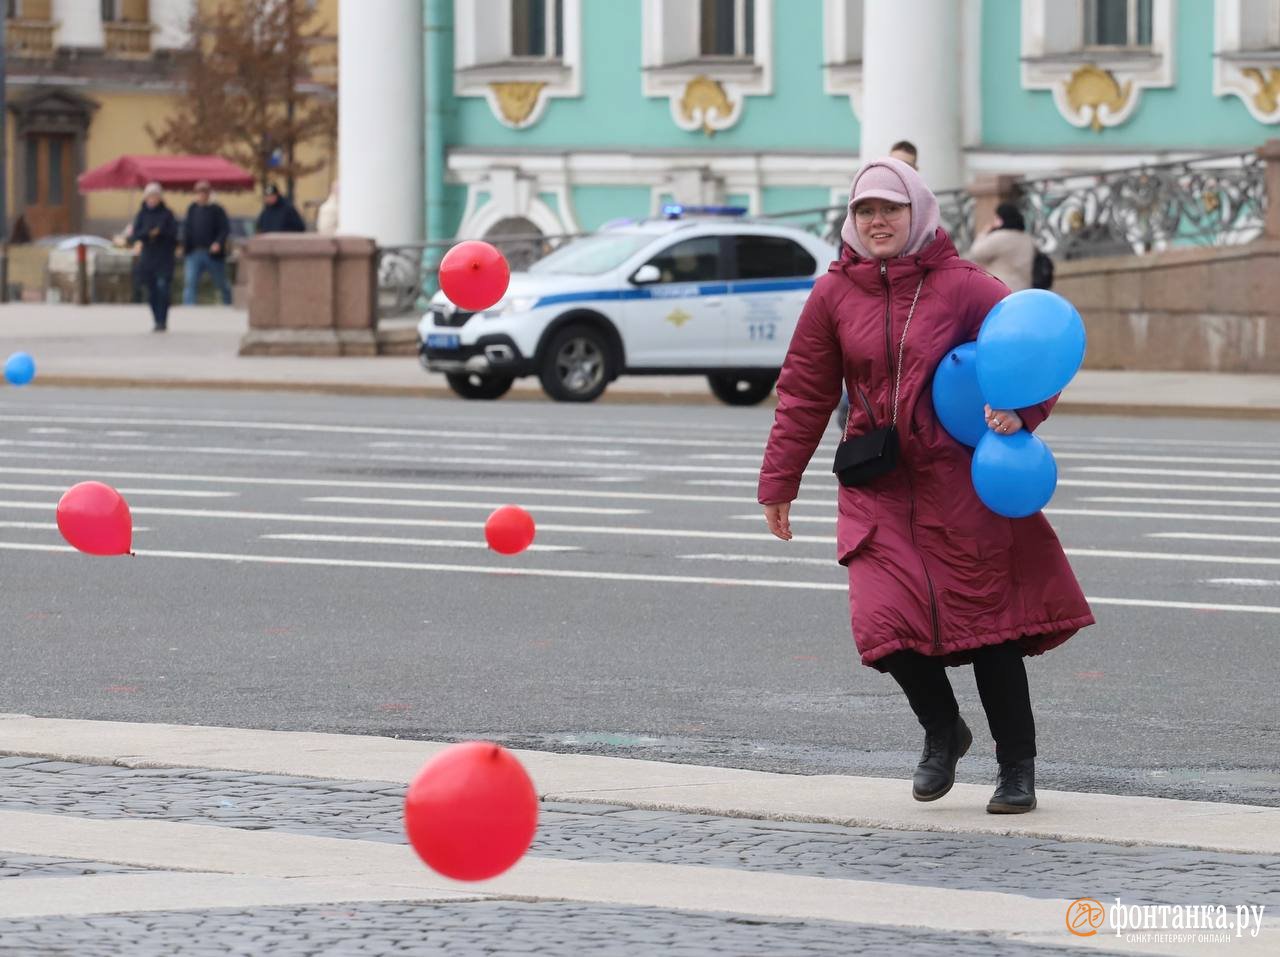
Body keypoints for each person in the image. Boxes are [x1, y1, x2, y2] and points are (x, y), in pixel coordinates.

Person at [758, 157, 1094, 814]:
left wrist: (1020, 412)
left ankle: (1016, 766)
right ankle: (943, 730)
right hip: (875, 482)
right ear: (852, 221)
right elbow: (803, 391)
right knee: (882, 625)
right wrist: (780, 480)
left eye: (890, 208)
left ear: (918, 211)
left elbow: (1034, 349)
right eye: (865, 210)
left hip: (958, 480)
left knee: (991, 626)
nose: (877, 221)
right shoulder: (833, 295)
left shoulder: (964, 285)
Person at [131, 182, 179, 332]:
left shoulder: (167, 214)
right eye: (150, 196)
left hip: (164, 257)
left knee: (163, 288)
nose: (152, 199)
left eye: (155, 196)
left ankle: (163, 319)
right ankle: (156, 320)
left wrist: (161, 233)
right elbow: (135, 235)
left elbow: (174, 234)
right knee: (151, 291)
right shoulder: (141, 214)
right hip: (148, 258)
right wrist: (148, 233)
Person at [965, 202, 1036, 293]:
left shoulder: (999, 237)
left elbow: (976, 252)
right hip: (1025, 289)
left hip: (1002, 290)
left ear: (1001, 219)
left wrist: (984, 233)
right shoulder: (1027, 238)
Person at [181, 179, 233, 305]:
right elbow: (187, 230)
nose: (202, 195)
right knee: (190, 282)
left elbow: (224, 229)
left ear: (209, 193)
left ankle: (228, 303)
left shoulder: (217, 210)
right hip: (194, 252)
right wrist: (184, 247)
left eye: (204, 192)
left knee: (221, 282)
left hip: (212, 254)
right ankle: (189, 309)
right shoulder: (192, 209)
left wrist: (218, 243)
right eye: (199, 192)